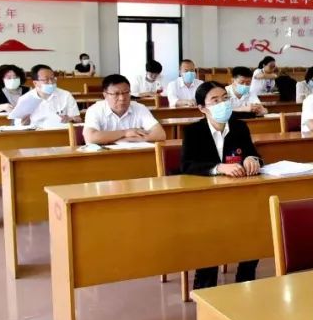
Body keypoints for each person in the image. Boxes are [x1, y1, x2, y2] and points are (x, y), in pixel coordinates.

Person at [181, 81, 262, 290]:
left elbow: (254, 154)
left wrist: (251, 159)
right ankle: (205, 287)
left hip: (238, 195)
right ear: (202, 108)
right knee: (209, 235)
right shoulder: (193, 131)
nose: (222, 104)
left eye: (225, 99)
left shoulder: (239, 126)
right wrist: (218, 167)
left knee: (255, 227)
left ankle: (245, 281)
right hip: (206, 199)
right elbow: (187, 165)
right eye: (215, 100)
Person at [83, 74, 166, 145]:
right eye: (116, 94)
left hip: (134, 154)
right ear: (105, 95)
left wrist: (129, 139)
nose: (122, 98)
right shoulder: (94, 110)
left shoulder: (140, 108)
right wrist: (125, 133)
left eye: (126, 93)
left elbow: (160, 134)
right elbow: (90, 137)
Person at [12, 64, 80, 126]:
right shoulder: (25, 99)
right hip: (36, 134)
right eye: (46, 79)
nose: (51, 82)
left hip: (61, 132)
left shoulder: (66, 95)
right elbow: (18, 126)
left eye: (52, 78)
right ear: (35, 83)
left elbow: (78, 120)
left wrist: (71, 119)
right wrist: (24, 124)